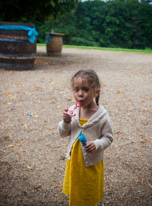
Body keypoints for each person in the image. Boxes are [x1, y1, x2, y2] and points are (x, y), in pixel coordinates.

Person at [58, 69, 113, 206]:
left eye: (85, 89)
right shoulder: (73, 111)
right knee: (76, 189)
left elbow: (108, 138)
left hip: (90, 163)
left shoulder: (102, 116)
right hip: (74, 161)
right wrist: (65, 122)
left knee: (90, 191)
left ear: (97, 91)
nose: (80, 94)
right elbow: (62, 133)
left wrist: (97, 144)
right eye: (76, 89)